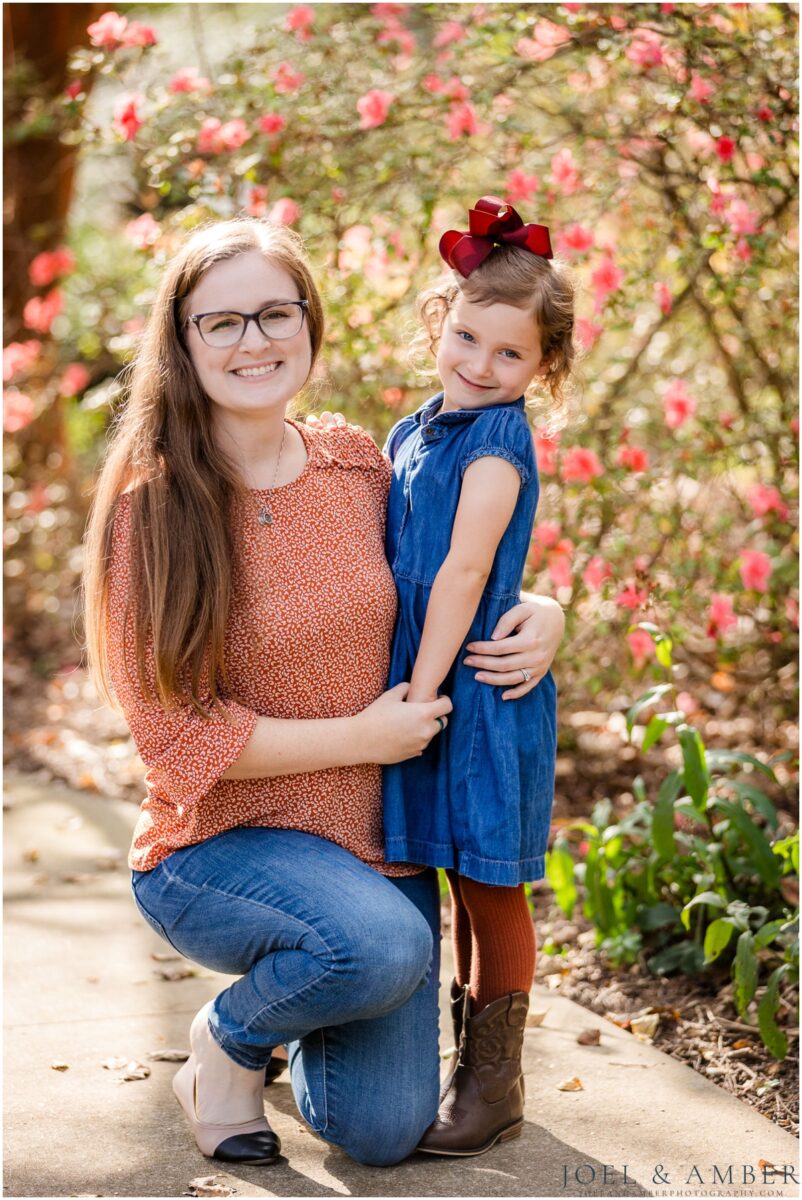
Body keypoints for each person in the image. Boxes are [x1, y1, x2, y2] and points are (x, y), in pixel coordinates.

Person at [82, 216, 565, 1169]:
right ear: (181, 340)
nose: (253, 340)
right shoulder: (155, 508)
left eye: (274, 313)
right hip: (220, 843)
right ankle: (227, 1042)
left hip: (372, 845)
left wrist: (544, 609)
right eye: (221, 322)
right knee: (383, 948)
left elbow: (454, 562)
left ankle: (314, 983)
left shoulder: (354, 462)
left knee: (380, 1132)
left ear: (310, 322)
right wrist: (364, 737)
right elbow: (178, 741)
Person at [382, 197, 576, 1157]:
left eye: (511, 355)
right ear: (439, 322)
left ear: (542, 369)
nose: (480, 365)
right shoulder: (414, 429)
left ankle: (494, 1081)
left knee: (489, 886)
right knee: (444, 874)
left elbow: (462, 571)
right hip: (425, 679)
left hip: (476, 691)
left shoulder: (499, 442)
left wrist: (420, 692)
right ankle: (441, 1058)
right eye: (466, 337)